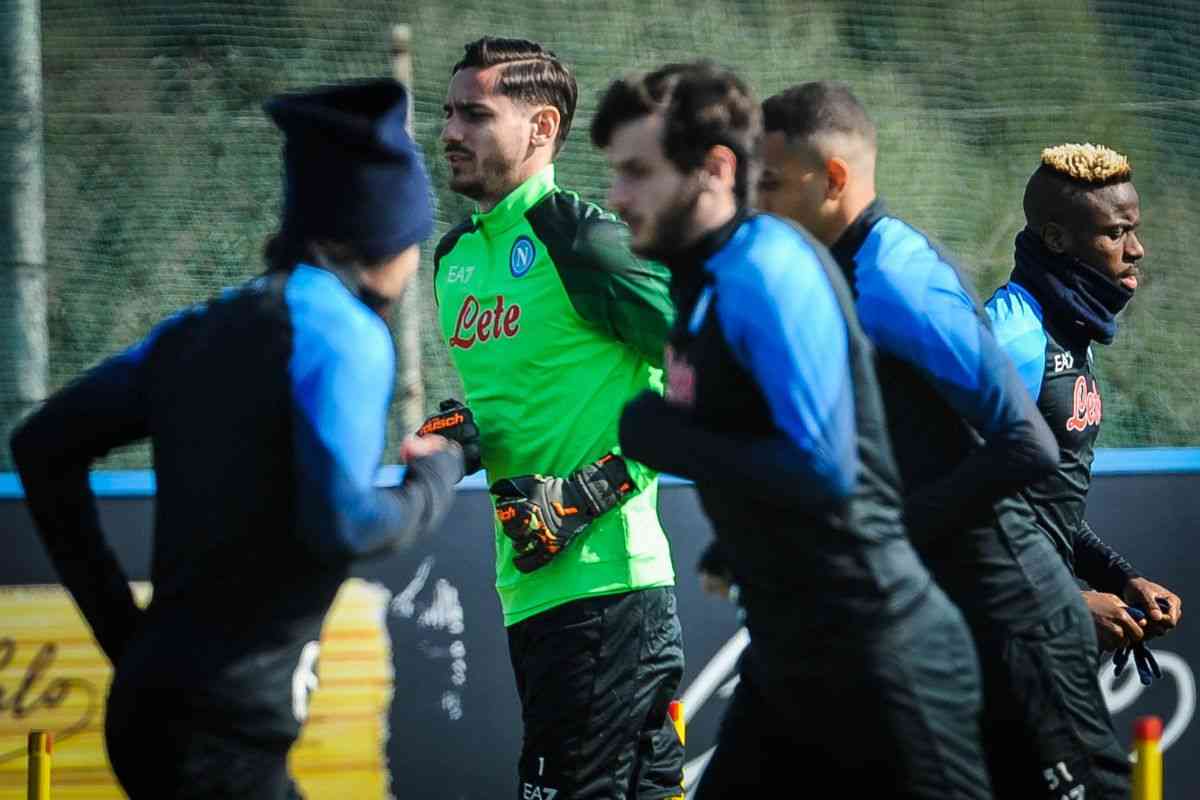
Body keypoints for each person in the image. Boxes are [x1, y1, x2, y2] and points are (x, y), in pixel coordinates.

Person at [9, 79, 463, 799]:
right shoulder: (343, 331)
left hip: (162, 713)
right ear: (388, 236)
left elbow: (41, 445)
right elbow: (344, 523)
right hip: (222, 739)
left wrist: (128, 641)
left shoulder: (203, 326)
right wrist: (436, 479)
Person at [593, 61, 991, 799]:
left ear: (715, 168)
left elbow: (824, 470)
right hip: (792, 657)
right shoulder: (701, 276)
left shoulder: (767, 268)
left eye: (637, 172)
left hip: (882, 657)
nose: (616, 197)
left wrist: (664, 437)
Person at [757, 81, 1131, 799]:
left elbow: (1019, 457)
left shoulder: (896, 278)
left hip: (1014, 614)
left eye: (770, 181)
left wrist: (1097, 579)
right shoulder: (845, 281)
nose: (755, 202)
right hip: (967, 621)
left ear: (831, 179)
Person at [424, 37, 683, 800]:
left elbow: (714, 368)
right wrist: (462, 432)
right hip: (534, 591)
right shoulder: (453, 260)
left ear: (541, 128)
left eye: (474, 114)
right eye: (445, 112)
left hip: (610, 592)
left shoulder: (585, 242)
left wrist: (593, 490)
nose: (449, 131)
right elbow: (531, 393)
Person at [985, 144, 1182, 666]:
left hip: (1036, 633)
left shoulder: (1071, 336)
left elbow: (1047, 509)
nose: (1135, 249)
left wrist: (1120, 577)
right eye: (1115, 233)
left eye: (1133, 230)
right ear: (1056, 239)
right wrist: (1066, 601)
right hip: (986, 644)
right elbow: (943, 512)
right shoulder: (1009, 340)